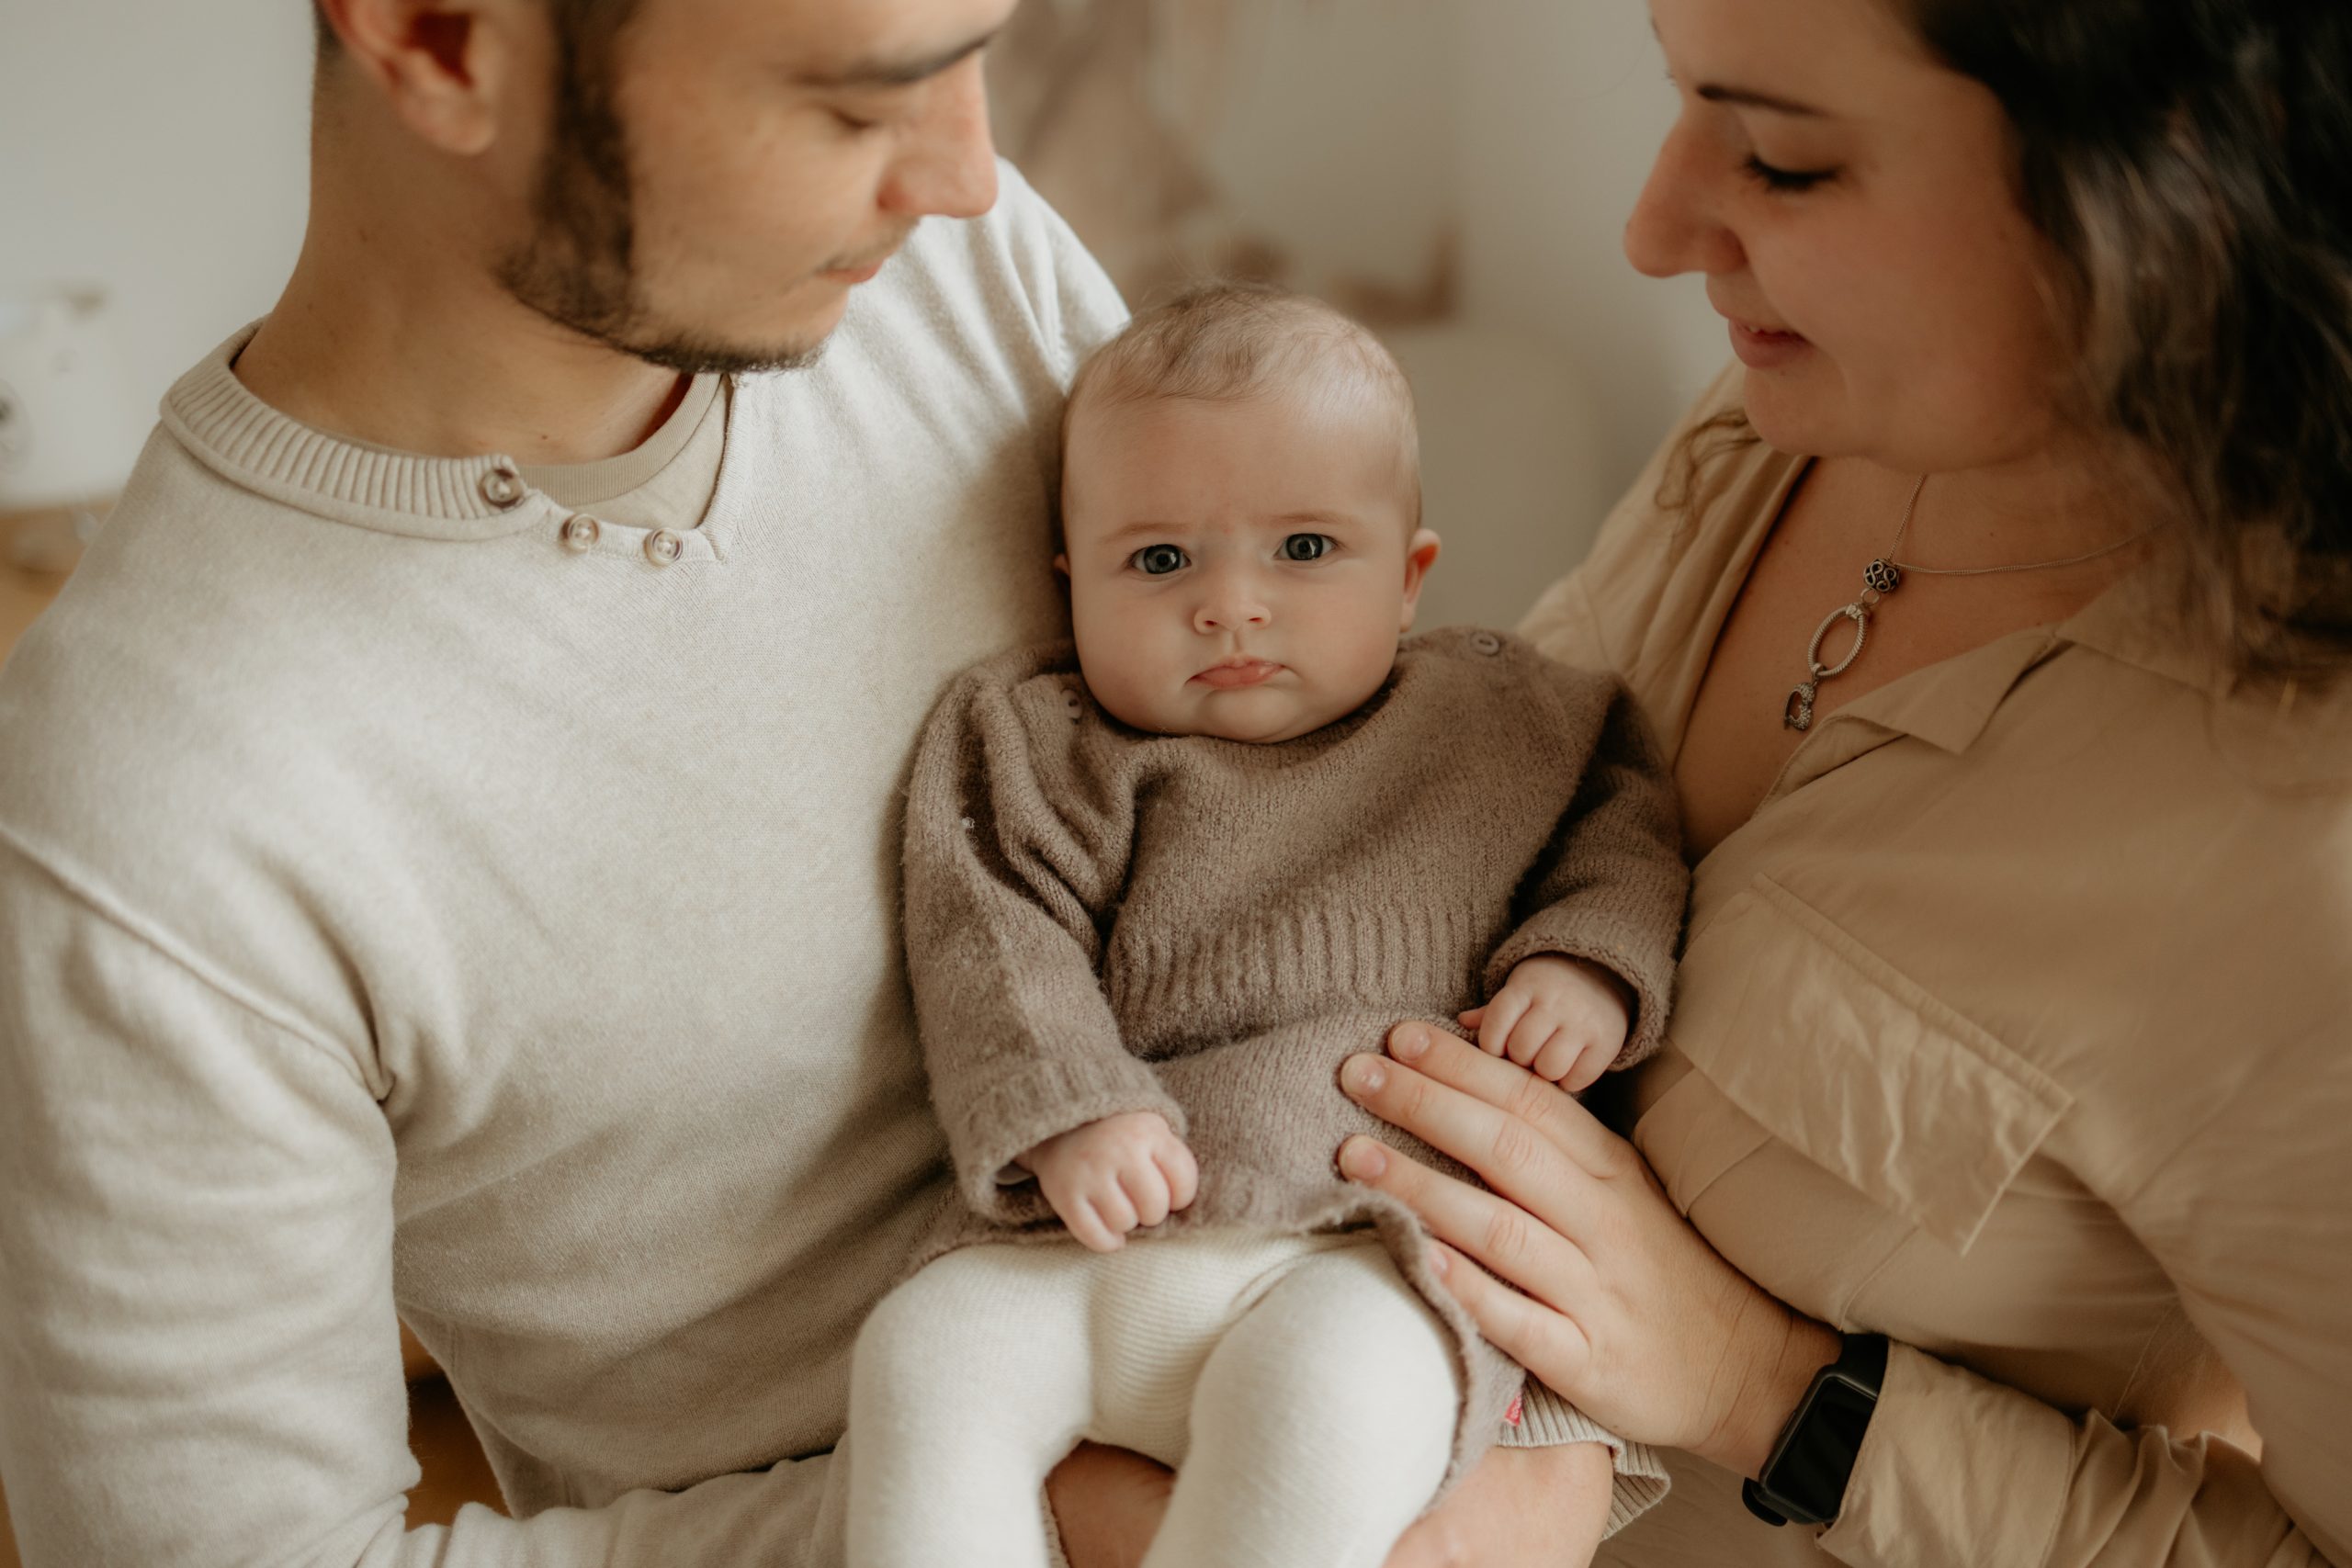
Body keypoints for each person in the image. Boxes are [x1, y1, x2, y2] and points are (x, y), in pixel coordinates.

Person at [0, 2, 1611, 1565]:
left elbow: (1341, 804)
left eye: (977, 54)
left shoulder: (941, 273)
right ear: (433, 35)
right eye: (854, 101)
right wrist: (1069, 1526)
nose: (969, 173)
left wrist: (1530, 1417)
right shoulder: (150, 799)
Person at [1316, 1, 2352, 1565]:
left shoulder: (2301, 844)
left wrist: (1766, 1390)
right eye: (1677, 101)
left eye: (1786, 161)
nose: (1656, 229)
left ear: (2178, 185)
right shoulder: (1793, 412)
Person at [841, 285, 1684, 1568]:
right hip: (1087, 1238)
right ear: (1070, 583)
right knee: (924, 1354)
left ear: (1410, 578)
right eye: (1161, 561)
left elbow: (1627, 830)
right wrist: (1069, 1103)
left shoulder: (1506, 722)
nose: (1232, 605)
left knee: (1330, 1402)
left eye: (1302, 551)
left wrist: (1587, 963)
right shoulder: (1035, 738)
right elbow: (989, 932)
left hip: (1362, 1247)